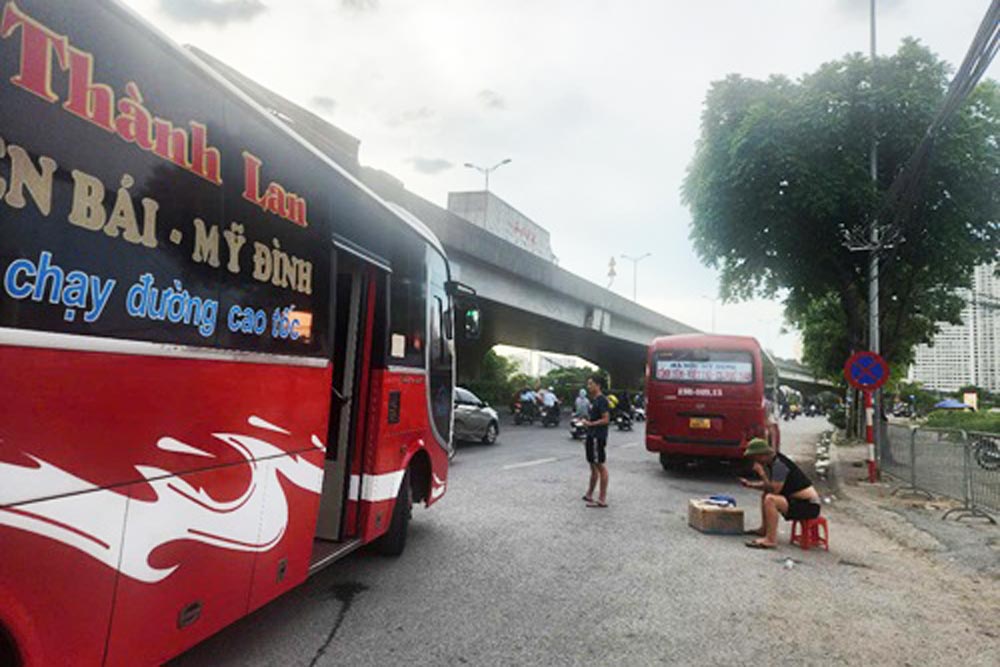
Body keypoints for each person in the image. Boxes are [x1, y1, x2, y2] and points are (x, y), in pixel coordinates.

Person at [740, 438, 821, 549]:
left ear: (762, 455)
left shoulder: (779, 465)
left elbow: (774, 490)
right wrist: (751, 485)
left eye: (755, 457)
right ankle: (764, 529)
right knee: (765, 495)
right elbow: (771, 485)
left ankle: (770, 539)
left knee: (770, 499)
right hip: (797, 501)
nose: (755, 461)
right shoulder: (773, 462)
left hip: (808, 505)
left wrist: (762, 473)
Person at [581, 374, 610, 508]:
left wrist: (590, 424)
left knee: (600, 467)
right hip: (592, 436)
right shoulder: (595, 400)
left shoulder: (602, 400)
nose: (588, 386)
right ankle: (589, 494)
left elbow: (606, 419)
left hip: (597, 437)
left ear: (598, 385)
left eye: (591, 383)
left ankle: (602, 499)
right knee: (593, 466)